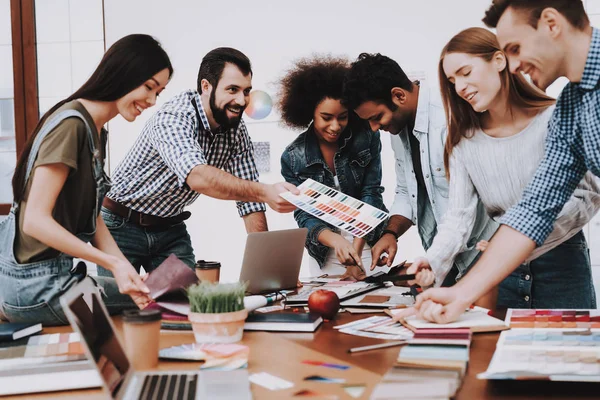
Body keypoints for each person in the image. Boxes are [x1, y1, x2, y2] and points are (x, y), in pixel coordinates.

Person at [412, 0, 600, 323]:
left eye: (515, 48)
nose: (512, 66)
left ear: (552, 24)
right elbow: (535, 209)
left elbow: (584, 197)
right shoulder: (571, 107)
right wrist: (460, 292)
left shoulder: (557, 112)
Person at [0, 34, 171, 325]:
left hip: (51, 281)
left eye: (160, 92)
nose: (152, 101)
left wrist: (123, 268)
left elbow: (93, 219)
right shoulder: (72, 126)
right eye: (149, 87)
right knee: (167, 293)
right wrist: (110, 263)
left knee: (153, 289)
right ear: (124, 74)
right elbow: (34, 221)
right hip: (36, 289)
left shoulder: (95, 128)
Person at [99, 47, 298, 275]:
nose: (241, 100)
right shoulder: (174, 117)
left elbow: (250, 202)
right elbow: (197, 177)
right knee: (119, 304)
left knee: (187, 305)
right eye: (232, 89)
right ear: (206, 86)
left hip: (170, 227)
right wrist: (265, 191)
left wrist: (268, 268)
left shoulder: (236, 128)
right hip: (121, 224)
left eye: (246, 91)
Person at [342, 53, 499, 291]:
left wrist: (429, 265)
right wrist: (391, 234)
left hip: (490, 254)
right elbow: (407, 191)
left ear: (399, 95)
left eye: (377, 118)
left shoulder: (450, 118)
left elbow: (462, 210)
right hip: (451, 260)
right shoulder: (398, 129)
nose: (375, 128)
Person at [279, 56, 387, 281]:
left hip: (368, 246)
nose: (335, 126)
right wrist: (336, 240)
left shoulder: (367, 136)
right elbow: (303, 214)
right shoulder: (292, 156)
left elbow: (372, 194)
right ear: (310, 111)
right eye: (326, 118)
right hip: (325, 251)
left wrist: (356, 254)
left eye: (343, 117)